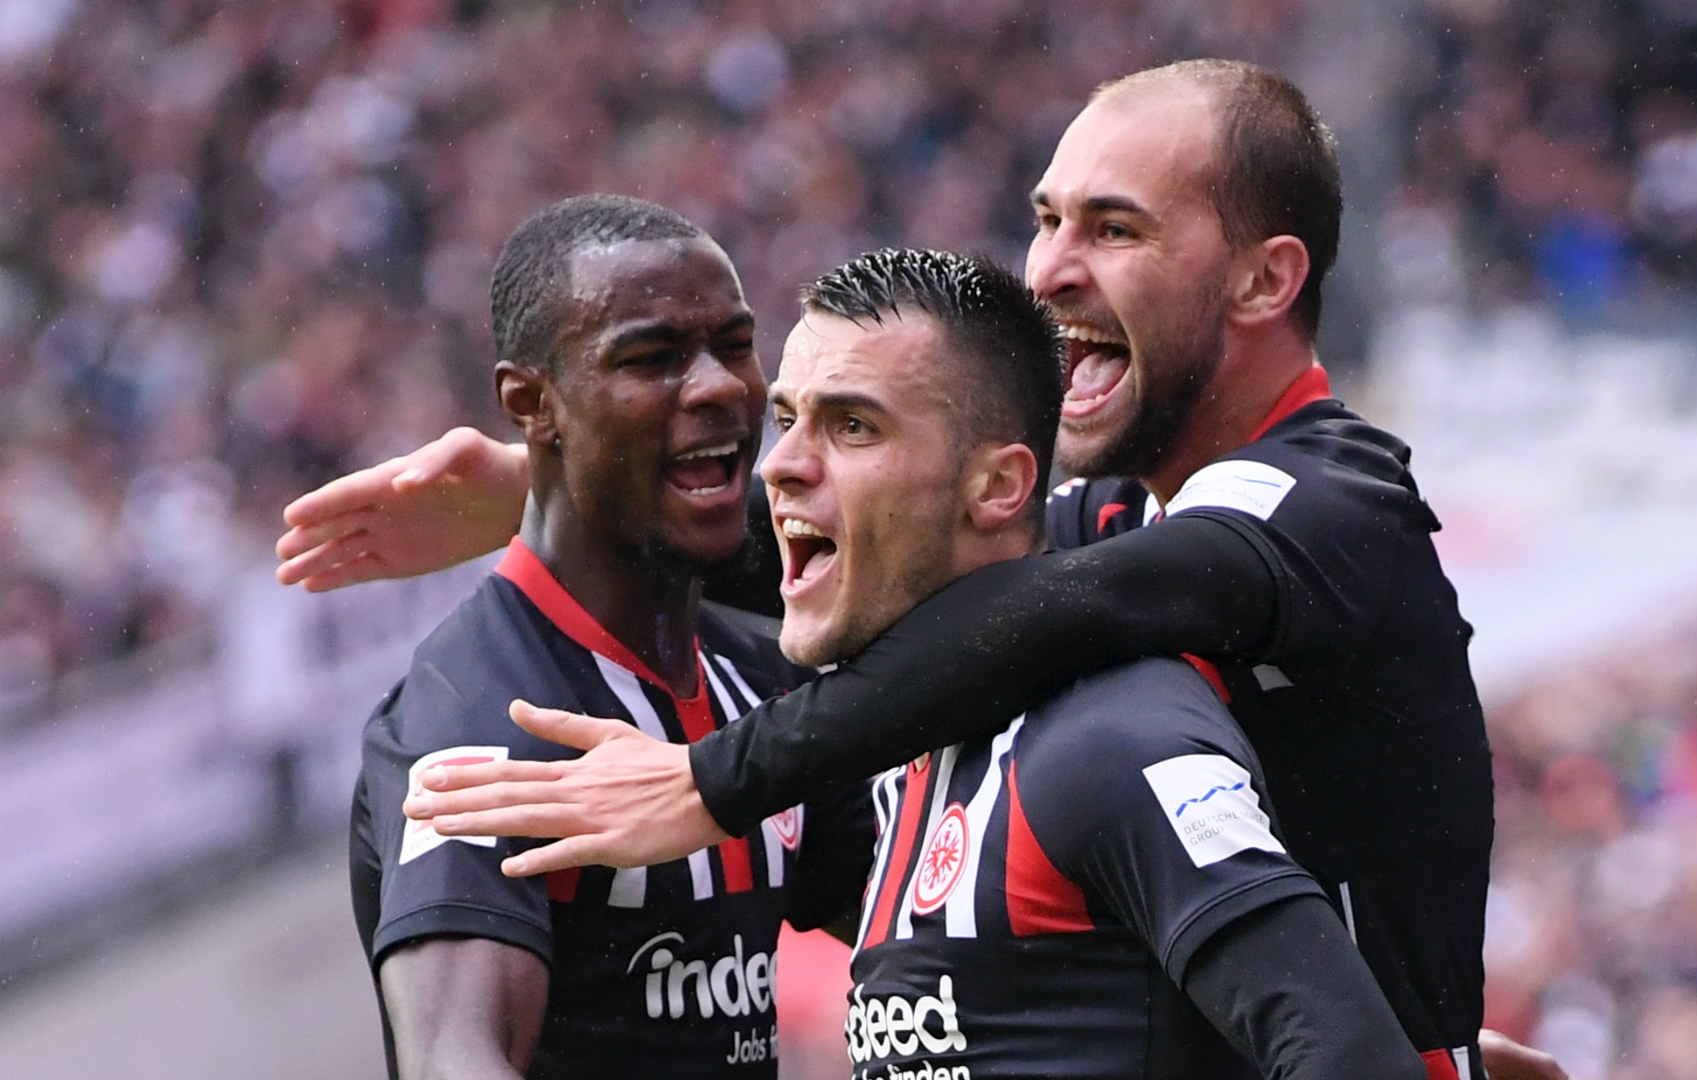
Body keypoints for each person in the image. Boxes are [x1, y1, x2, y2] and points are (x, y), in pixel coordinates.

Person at [289, 61, 1556, 1080]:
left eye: (1114, 229)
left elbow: (1055, 602)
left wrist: (715, 782)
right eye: (1047, 218)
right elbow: (919, 561)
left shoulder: (1303, 516)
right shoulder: (1069, 579)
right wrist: (560, 485)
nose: (1051, 267)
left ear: (1264, 278)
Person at [771, 245, 1423, 1077]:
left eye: (852, 425)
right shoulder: (917, 757)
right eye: (786, 417)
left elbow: (1356, 1057)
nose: (782, 464)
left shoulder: (1107, 739)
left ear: (999, 486)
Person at [348, 194, 871, 1080]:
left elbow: (933, 924)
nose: (716, 387)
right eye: (652, 358)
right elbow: (454, 1056)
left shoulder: (763, 676)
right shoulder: (478, 716)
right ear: (532, 403)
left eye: (736, 345)